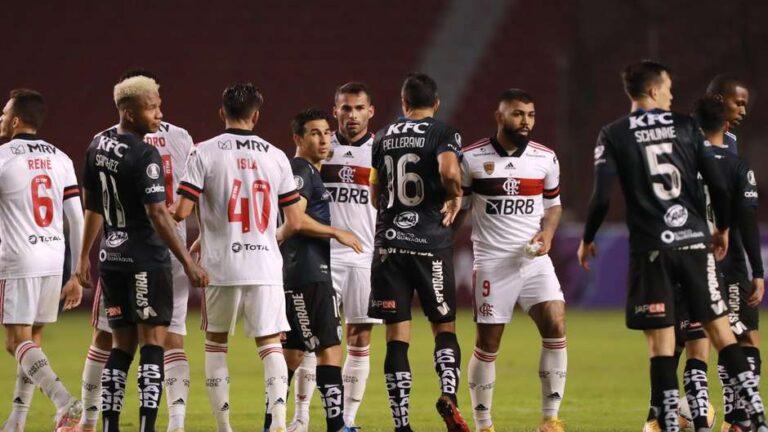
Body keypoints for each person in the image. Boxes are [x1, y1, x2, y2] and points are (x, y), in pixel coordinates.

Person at [577, 60, 768, 432]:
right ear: (652, 91)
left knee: (662, 348)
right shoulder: (685, 127)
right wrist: (723, 229)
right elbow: (715, 179)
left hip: (652, 250)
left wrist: (587, 239)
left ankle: (663, 420)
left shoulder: (614, 133)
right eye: (667, 88)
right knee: (724, 335)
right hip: (695, 244)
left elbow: (600, 197)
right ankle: (757, 419)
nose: (672, 94)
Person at [75, 75, 207, 432]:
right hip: (147, 257)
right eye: (152, 107)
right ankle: (148, 426)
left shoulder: (97, 145)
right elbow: (157, 212)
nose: (159, 113)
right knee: (153, 343)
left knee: (119, 346)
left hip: (111, 257)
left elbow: (93, 207)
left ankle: (107, 425)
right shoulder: (146, 150)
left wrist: (82, 257)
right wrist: (187, 262)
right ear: (129, 112)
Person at [173, 82, 302, 432]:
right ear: (256, 116)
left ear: (222, 113)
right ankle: (277, 422)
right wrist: (262, 240)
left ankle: (224, 427)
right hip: (265, 265)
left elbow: (182, 210)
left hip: (221, 267)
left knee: (216, 343)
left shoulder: (204, 151)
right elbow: (293, 221)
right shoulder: (276, 155)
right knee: (271, 343)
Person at [460, 89, 566, 432]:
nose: (526, 121)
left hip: (534, 260)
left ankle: (551, 419)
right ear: (500, 116)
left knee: (555, 324)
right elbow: (457, 208)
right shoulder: (471, 158)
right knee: (488, 344)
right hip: (492, 262)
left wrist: (547, 234)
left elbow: (553, 206)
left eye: (531, 115)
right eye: (518, 114)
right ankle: (484, 424)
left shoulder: (545, 158)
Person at [368, 73, 468, 432]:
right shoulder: (444, 132)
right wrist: (455, 195)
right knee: (443, 325)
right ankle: (449, 396)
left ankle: (402, 424)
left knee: (397, 337)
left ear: (403, 102)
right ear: (436, 104)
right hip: (431, 243)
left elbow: (375, 192)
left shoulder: (381, 137)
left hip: (390, 246)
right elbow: (448, 169)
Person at [286, 82, 380, 431]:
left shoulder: (380, 151)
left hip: (364, 256)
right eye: (345, 108)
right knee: (314, 341)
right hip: (321, 256)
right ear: (335, 109)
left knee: (359, 338)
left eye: (358, 108)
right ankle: (299, 418)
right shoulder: (318, 148)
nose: (351, 115)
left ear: (370, 112)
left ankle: (347, 419)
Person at [0, 89, 84, 431]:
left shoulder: (4, 157)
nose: (1, 118)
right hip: (54, 257)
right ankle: (17, 421)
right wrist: (76, 271)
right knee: (32, 341)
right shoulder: (60, 158)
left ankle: (64, 400)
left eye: (5, 113)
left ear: (17, 120)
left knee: (15, 341)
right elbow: (76, 219)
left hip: (18, 258)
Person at [275, 108, 361, 432]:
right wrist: (336, 231)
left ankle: (273, 423)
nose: (324, 138)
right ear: (298, 138)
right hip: (307, 273)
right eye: (315, 133)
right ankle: (337, 426)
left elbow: (285, 226)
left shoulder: (310, 172)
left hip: (301, 271)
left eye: (327, 132)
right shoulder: (300, 170)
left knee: (293, 354)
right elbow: (295, 219)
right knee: (330, 349)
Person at [692, 95, 764, 432]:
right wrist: (758, 271)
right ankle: (743, 420)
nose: (743, 111)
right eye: (739, 103)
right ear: (723, 114)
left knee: (694, 341)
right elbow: (746, 221)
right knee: (741, 337)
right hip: (729, 259)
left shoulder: (683, 158)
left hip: (690, 257)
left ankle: (696, 415)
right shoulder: (737, 164)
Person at [705, 75, 750, 155]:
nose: (743, 112)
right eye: (739, 104)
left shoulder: (730, 141)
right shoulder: (684, 133)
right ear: (717, 100)